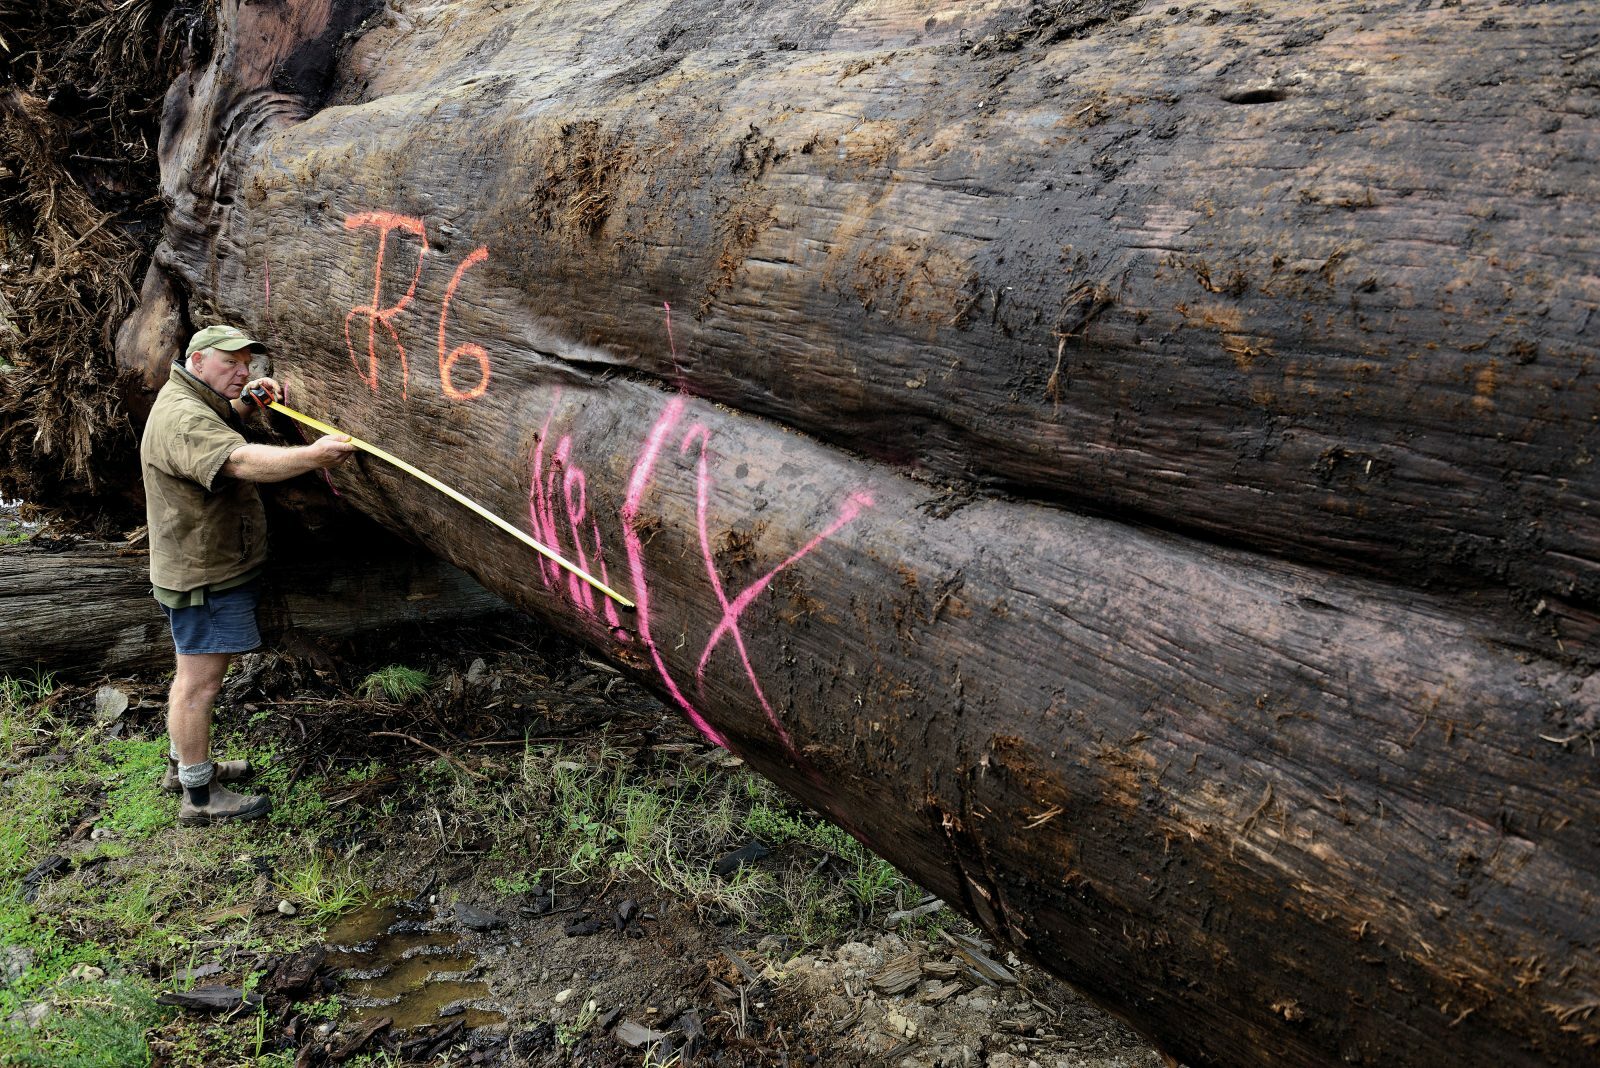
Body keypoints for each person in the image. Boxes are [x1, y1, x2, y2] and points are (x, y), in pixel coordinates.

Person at [140, 325, 356, 826]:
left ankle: (183, 767)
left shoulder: (194, 396)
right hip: (204, 576)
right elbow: (237, 460)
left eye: (247, 363)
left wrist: (246, 405)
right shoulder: (182, 416)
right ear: (197, 361)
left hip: (206, 564)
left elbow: (221, 425)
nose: (242, 372)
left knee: (193, 677)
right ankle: (199, 797)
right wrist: (313, 456)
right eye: (229, 363)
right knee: (200, 685)